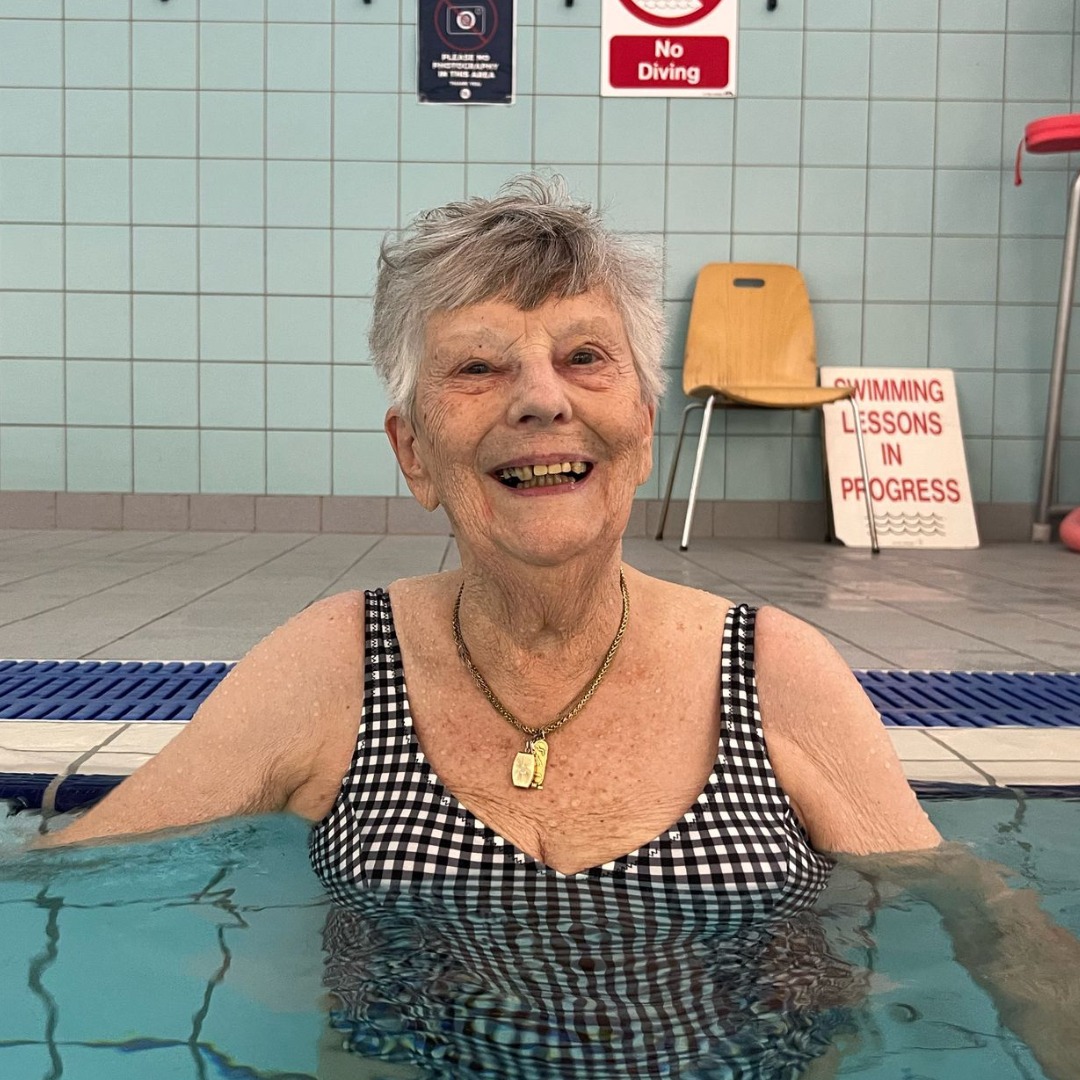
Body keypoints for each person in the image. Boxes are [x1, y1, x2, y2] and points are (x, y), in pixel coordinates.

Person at [38, 178, 1080, 1079]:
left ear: (642, 428)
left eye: (586, 357)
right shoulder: (337, 663)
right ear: (414, 454)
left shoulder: (771, 671)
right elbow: (78, 863)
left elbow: (980, 916)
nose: (542, 401)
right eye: (479, 368)